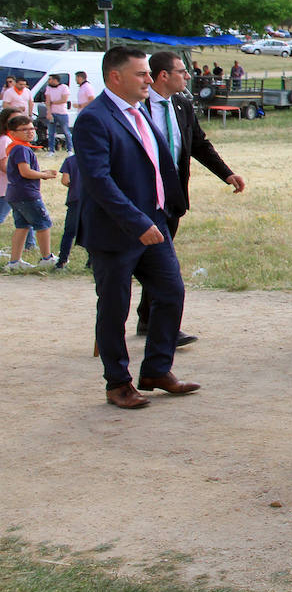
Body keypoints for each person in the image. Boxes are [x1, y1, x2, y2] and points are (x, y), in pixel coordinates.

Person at [73, 46, 197, 410]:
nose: (149, 79)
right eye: (142, 74)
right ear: (115, 77)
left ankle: (157, 369)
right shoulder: (94, 119)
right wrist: (136, 221)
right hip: (117, 230)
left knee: (171, 292)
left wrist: (164, 208)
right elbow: (97, 181)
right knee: (114, 308)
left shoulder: (140, 111)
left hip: (153, 220)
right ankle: (118, 383)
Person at [133, 52, 247, 346]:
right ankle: (135, 321)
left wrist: (227, 174)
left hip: (171, 196)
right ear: (163, 76)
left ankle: (150, 320)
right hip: (140, 197)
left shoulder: (182, 104)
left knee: (163, 258)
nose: (186, 76)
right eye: (181, 72)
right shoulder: (137, 106)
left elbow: (198, 144)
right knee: (141, 262)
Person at [4, 114, 59, 269]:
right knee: (43, 224)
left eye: (31, 128)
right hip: (27, 193)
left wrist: (41, 172)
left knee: (22, 226)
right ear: (13, 133)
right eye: (24, 129)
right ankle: (47, 258)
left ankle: (14, 262)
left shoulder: (18, 148)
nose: (30, 132)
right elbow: (25, 172)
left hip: (15, 193)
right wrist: (44, 175)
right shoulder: (21, 148)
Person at [55, 151, 81, 269]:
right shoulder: (96, 158)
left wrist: (75, 185)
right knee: (93, 230)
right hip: (92, 199)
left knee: (69, 232)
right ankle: (91, 262)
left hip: (74, 199)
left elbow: (65, 181)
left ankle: (62, 261)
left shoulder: (70, 160)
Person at [44, 75, 71, 154]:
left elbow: (64, 100)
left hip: (62, 113)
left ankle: (69, 149)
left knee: (66, 131)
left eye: (50, 79)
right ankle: (51, 150)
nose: (48, 81)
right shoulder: (48, 88)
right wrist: (49, 112)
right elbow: (47, 101)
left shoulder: (64, 87)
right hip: (52, 113)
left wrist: (53, 102)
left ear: (55, 80)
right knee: (51, 132)